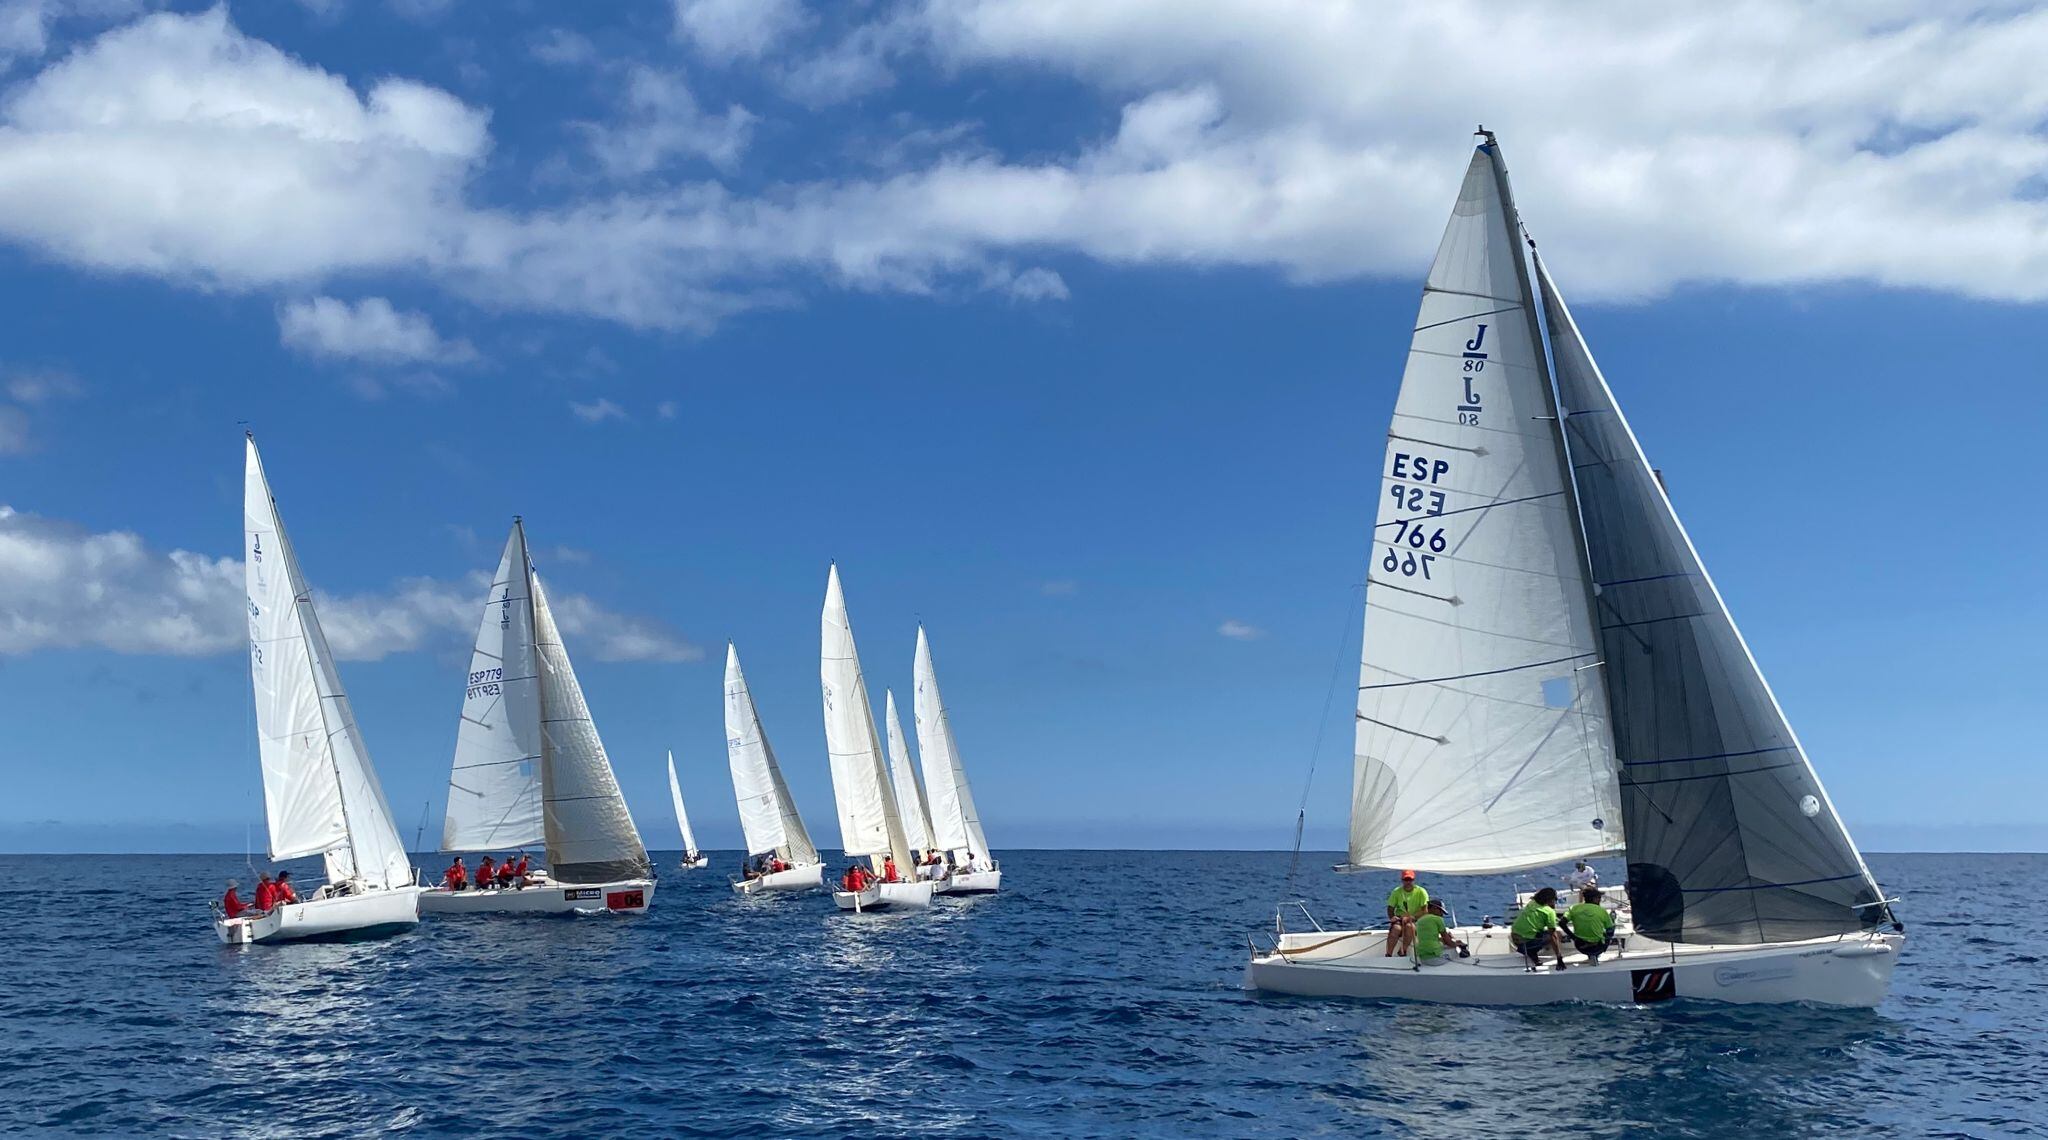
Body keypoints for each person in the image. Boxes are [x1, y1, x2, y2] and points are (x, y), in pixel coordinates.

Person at [1511, 887, 1569, 970]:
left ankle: (1531, 952)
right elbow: (1553, 935)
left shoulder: (1532, 903)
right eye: (1554, 900)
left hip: (1514, 937)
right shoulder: (1549, 912)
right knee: (1558, 935)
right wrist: (1559, 958)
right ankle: (1531, 951)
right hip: (1525, 943)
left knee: (1539, 931)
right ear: (1551, 900)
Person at [1385, 870, 1430, 957]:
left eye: (1410, 880)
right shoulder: (1396, 892)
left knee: (1410, 927)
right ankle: (1388, 954)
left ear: (1414, 880)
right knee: (1396, 929)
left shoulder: (1421, 891)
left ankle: (1403, 951)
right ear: (1402, 880)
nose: (1408, 882)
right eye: (1406, 880)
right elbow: (1390, 908)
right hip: (1400, 919)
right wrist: (1392, 917)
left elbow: (1425, 911)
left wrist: (1411, 918)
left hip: (1416, 920)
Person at [1564, 888, 1615, 962]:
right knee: (1610, 927)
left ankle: (1591, 955)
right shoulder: (1601, 911)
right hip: (1598, 947)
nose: (1600, 900)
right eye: (1599, 898)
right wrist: (1605, 946)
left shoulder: (1573, 908)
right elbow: (1610, 929)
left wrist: (1573, 937)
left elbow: (1561, 923)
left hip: (1580, 946)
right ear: (1594, 899)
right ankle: (1598, 953)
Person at [1412, 898, 1465, 966]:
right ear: (1434, 908)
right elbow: (1447, 941)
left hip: (1422, 958)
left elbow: (1428, 938)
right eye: (1441, 911)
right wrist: (1458, 944)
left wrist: (1443, 939)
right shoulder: (1438, 919)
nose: (1442, 914)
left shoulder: (1420, 920)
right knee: (1454, 950)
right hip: (1434, 959)